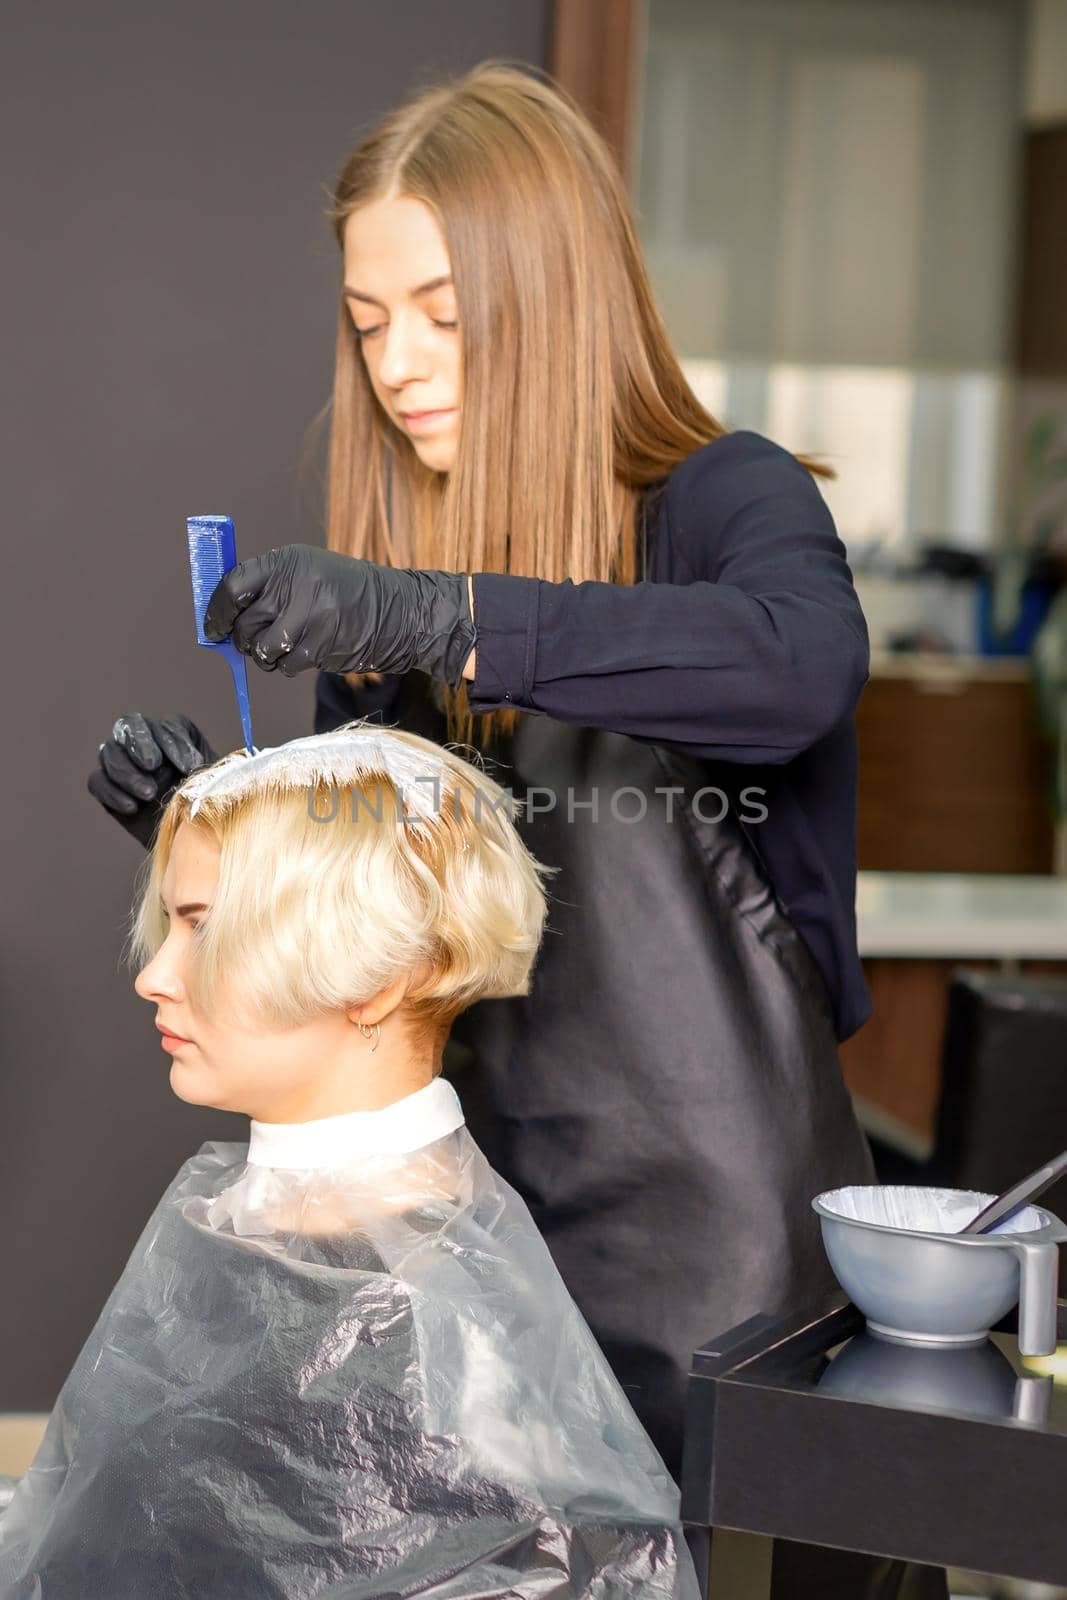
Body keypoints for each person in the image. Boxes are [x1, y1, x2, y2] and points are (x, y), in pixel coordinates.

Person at [88, 61, 948, 1597]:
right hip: (471, 1248)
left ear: (548, 299)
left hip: (721, 1268)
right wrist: (207, 826)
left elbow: (794, 663)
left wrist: (442, 615)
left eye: (443, 313)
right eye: (367, 324)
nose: (400, 364)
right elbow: (373, 928)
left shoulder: (719, 506)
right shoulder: (392, 583)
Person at [3, 725, 703, 1599]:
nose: (155, 977)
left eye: (206, 928)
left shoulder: (437, 1336)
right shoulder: (228, 1215)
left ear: (378, 979)